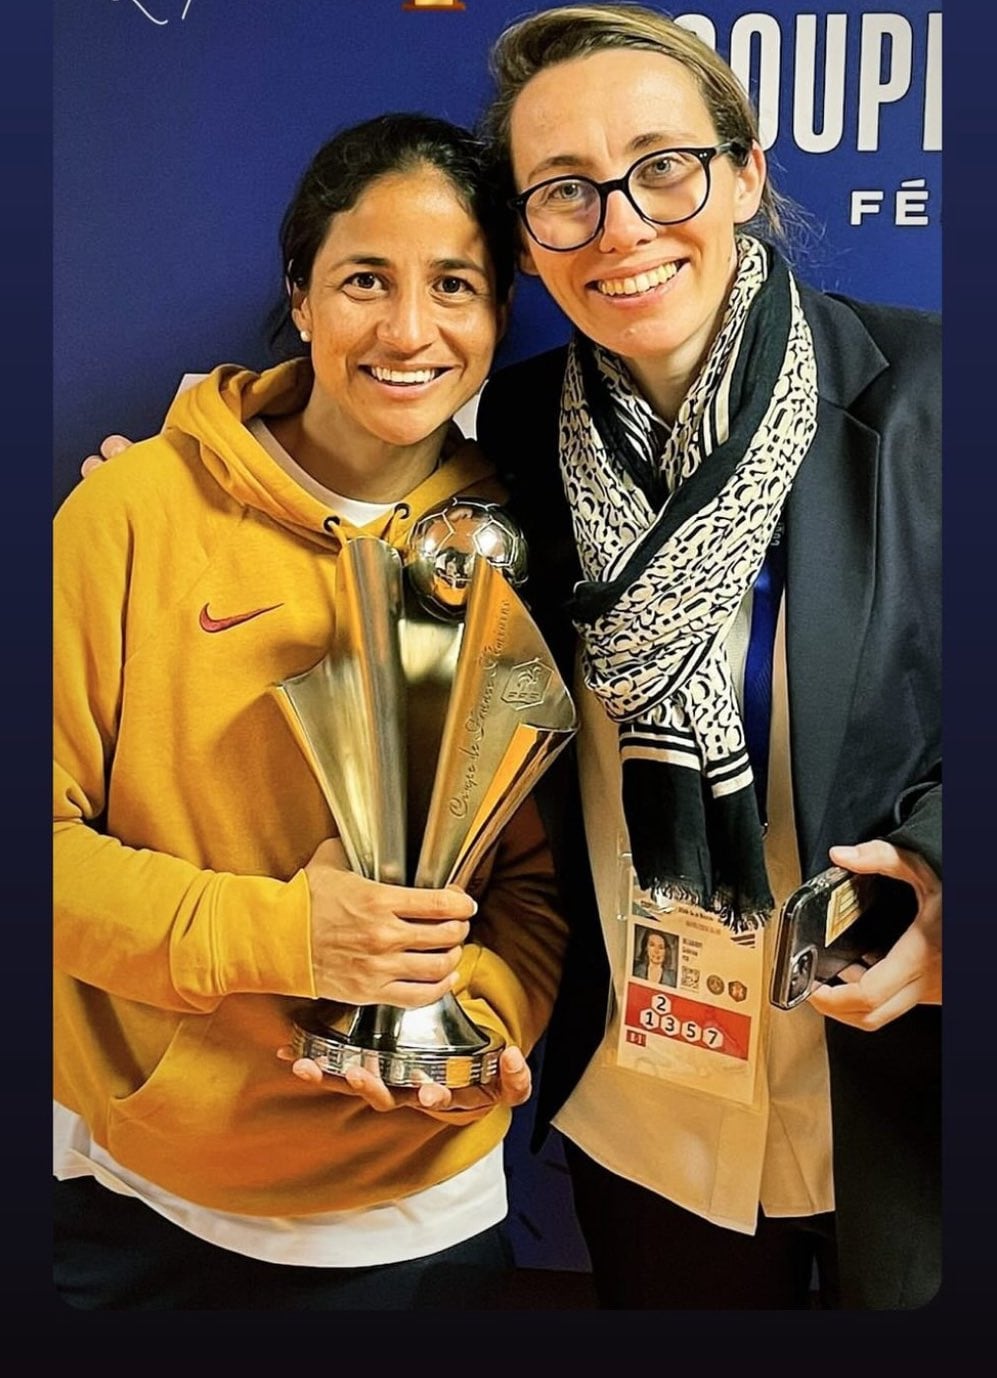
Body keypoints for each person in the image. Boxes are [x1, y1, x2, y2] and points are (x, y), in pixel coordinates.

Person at [53, 112, 568, 1310]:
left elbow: (537, 887)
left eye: (454, 286)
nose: (407, 331)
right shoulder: (129, 513)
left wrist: (478, 1019)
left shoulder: (513, 546)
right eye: (363, 282)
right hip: (142, 1195)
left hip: (419, 1210)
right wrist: (290, 938)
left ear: (498, 315)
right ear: (299, 295)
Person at [475, 4, 940, 1310]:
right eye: (563, 191)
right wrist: (170, 487)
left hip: (902, 1097)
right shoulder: (512, 435)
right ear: (525, 233)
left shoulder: (930, 396)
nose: (619, 224)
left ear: (742, 172)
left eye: (661, 165)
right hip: (651, 1116)